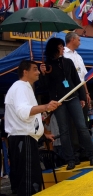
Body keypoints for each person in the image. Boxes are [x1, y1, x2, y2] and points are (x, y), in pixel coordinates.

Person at [40, 38, 93, 170]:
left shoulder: (68, 62)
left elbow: (77, 81)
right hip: (58, 102)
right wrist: (43, 74)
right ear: (54, 48)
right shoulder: (47, 65)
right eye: (60, 46)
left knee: (81, 126)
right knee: (64, 131)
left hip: (73, 97)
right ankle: (70, 159)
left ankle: (92, 154)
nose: (62, 48)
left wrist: (82, 97)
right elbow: (44, 86)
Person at [5, 60, 61, 195]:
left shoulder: (23, 87)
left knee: (26, 180)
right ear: (25, 72)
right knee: (30, 181)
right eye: (35, 69)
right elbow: (23, 112)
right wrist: (45, 107)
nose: (38, 72)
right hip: (23, 140)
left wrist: (43, 134)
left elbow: (27, 119)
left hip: (23, 139)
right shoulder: (21, 87)